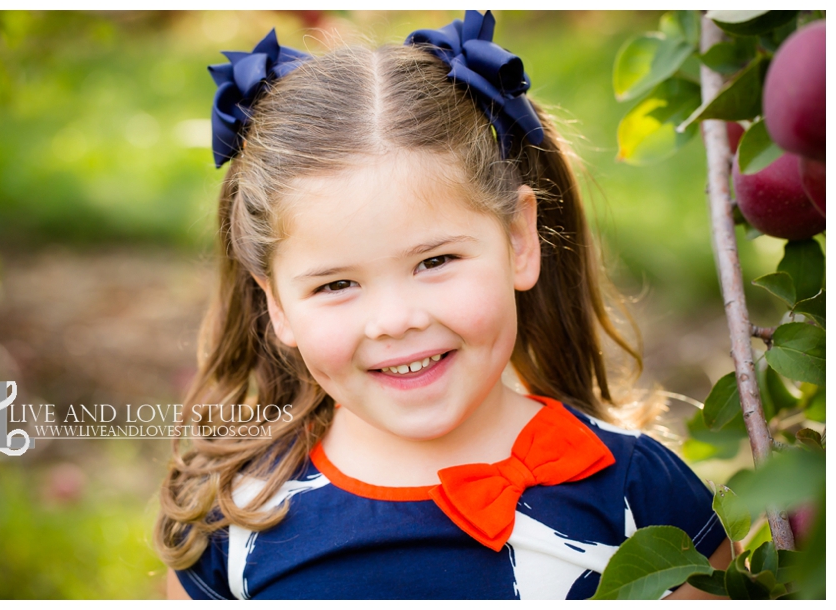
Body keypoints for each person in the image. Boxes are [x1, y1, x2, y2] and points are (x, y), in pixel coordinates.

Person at [155, 11, 731, 600]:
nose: (395, 320)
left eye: (434, 262)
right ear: (275, 301)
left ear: (519, 241)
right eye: (335, 285)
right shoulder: (232, 518)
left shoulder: (637, 493)